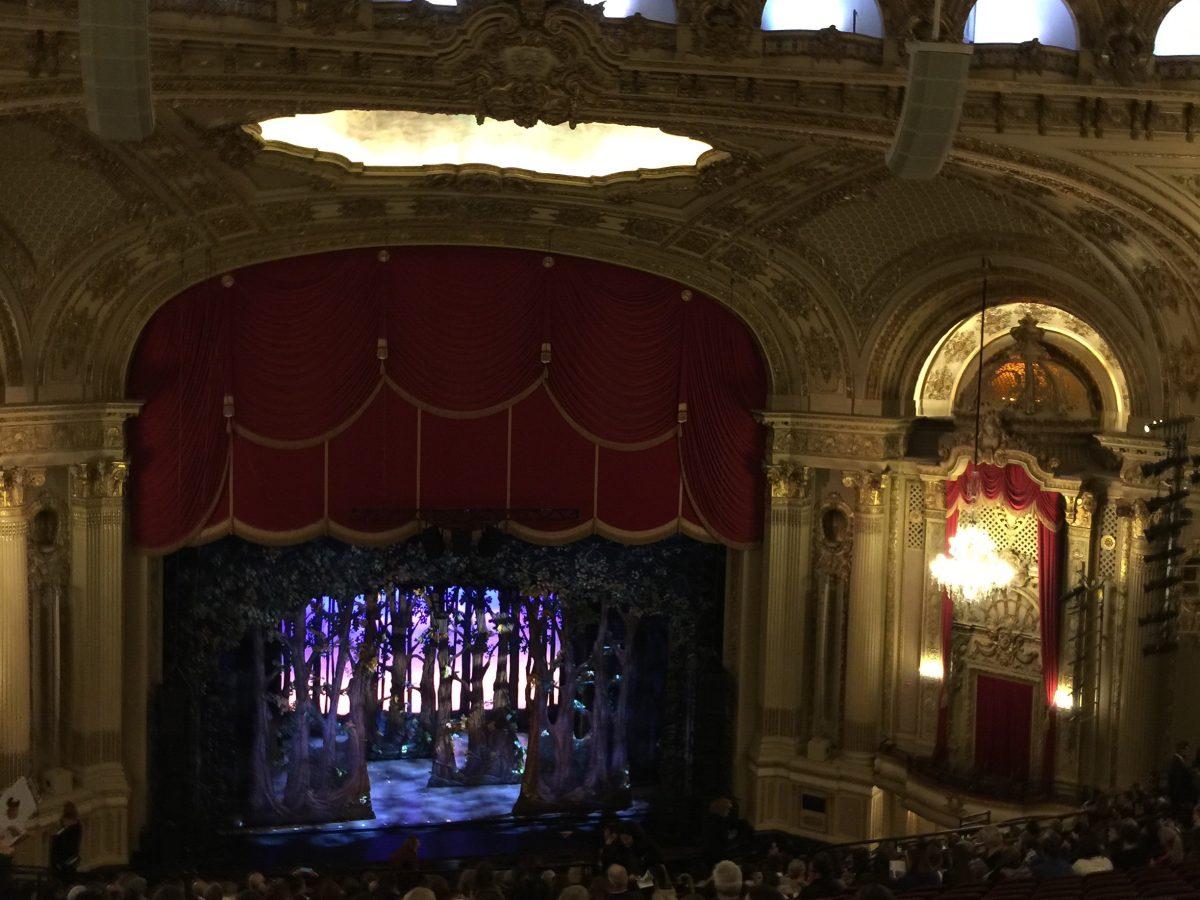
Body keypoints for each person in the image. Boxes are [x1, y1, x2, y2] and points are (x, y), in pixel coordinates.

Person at [50, 801, 83, 883]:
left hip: (66, 856)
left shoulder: (75, 826)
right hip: (64, 856)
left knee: (66, 875)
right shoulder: (75, 825)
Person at [1168, 742, 1198, 821]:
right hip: (1180, 799)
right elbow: (1177, 783)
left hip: (1178, 799)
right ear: (1182, 750)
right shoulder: (1178, 763)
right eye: (1187, 750)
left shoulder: (1177, 762)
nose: (1189, 753)